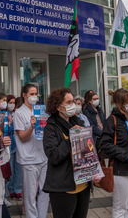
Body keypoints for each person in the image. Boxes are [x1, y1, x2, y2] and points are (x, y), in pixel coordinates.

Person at [43, 88, 101, 218]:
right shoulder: (51, 128)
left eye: (73, 102)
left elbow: (88, 151)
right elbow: (53, 156)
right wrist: (71, 138)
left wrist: (94, 169)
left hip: (83, 185)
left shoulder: (79, 123)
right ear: (58, 107)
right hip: (64, 188)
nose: (73, 105)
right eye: (68, 102)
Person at [100, 88, 128, 218]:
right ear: (120, 103)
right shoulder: (112, 120)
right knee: (120, 207)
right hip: (121, 169)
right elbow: (105, 144)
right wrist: (126, 156)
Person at [13, 84, 49, 218]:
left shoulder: (41, 110)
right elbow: (22, 137)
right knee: (30, 195)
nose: (34, 97)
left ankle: (42, 215)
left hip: (43, 156)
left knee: (45, 191)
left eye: (36, 94)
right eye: (31, 94)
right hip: (28, 159)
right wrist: (32, 127)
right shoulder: (19, 113)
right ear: (24, 95)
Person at [5, 95, 22, 200]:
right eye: (10, 102)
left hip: (17, 144)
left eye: (13, 102)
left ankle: (18, 190)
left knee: (18, 169)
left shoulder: (17, 114)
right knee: (10, 169)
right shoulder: (5, 115)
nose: (12, 104)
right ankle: (10, 190)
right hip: (9, 144)